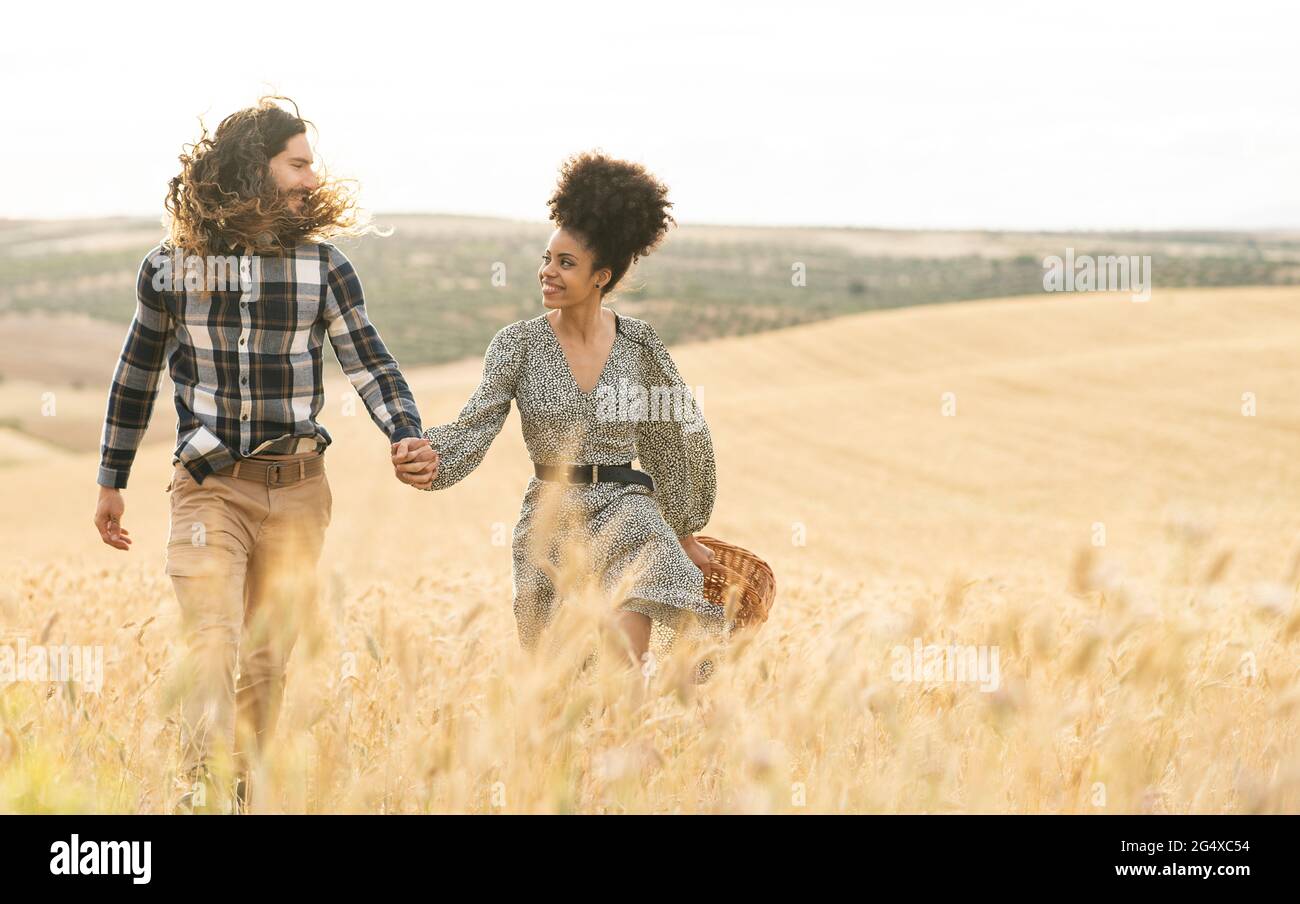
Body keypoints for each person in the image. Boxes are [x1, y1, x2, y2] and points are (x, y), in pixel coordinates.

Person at [92, 97, 429, 813]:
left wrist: (405, 431)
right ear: (255, 169)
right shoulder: (169, 268)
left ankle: (240, 795)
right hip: (207, 487)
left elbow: (369, 362)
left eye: (311, 164)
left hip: (299, 489)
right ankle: (196, 792)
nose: (310, 178)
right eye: (297, 164)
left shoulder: (325, 268)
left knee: (268, 660)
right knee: (210, 641)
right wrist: (110, 479)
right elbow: (136, 373)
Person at [393, 151, 729, 669]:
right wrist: (432, 458)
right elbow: (474, 425)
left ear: (602, 276)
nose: (547, 272)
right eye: (547, 259)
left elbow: (673, 437)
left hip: (629, 514)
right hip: (552, 517)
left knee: (624, 665)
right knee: (557, 678)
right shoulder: (517, 345)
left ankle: (634, 743)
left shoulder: (640, 345)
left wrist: (682, 530)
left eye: (565, 263)